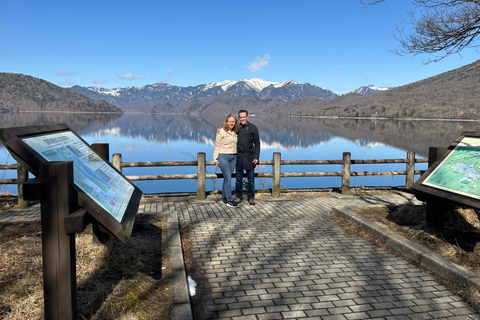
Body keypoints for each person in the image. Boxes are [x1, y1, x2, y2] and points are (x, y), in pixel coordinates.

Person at [234, 110, 260, 205]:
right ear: (239, 118)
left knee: (251, 179)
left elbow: (257, 144)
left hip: (250, 156)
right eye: (241, 117)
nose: (242, 119)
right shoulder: (236, 128)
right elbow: (227, 132)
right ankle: (238, 196)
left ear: (247, 117)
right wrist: (219, 131)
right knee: (238, 178)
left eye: (244, 117)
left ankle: (251, 197)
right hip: (239, 157)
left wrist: (256, 157)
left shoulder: (253, 128)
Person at [213, 115, 239, 208]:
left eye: (233, 122)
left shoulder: (236, 132)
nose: (231, 123)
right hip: (223, 156)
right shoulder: (221, 132)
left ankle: (223, 197)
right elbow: (217, 145)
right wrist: (215, 159)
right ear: (226, 122)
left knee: (227, 178)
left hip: (233, 157)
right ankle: (229, 199)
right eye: (230, 121)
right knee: (228, 178)